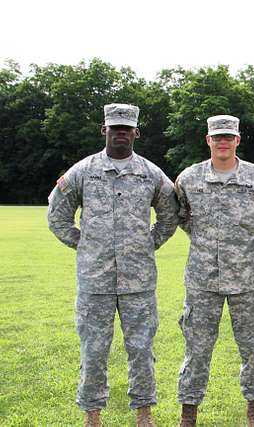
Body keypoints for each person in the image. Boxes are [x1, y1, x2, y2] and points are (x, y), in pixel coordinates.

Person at [47, 103, 179, 427]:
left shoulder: (150, 173)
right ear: (104, 131)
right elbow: (56, 215)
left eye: (126, 129)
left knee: (142, 351)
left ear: (136, 132)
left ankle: (144, 415)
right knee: (93, 352)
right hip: (95, 283)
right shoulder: (83, 171)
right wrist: (84, 244)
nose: (121, 134)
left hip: (139, 283)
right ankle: (92, 416)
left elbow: (170, 214)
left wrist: (149, 243)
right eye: (114, 128)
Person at [174, 114, 254, 427]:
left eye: (229, 136)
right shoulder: (189, 178)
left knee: (252, 349)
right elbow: (179, 214)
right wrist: (202, 236)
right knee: (196, 350)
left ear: (237, 140)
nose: (223, 141)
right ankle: (188, 416)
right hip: (202, 280)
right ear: (208, 140)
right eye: (217, 136)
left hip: (246, 279)